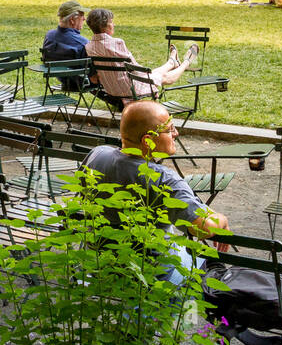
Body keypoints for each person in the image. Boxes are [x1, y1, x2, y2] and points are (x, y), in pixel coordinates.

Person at [80, 101, 232, 285]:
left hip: (101, 267)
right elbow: (203, 226)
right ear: (148, 141)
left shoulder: (97, 155)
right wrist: (222, 219)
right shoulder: (164, 179)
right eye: (169, 130)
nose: (176, 133)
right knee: (213, 267)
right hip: (153, 274)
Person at [85, 7, 197, 99]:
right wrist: (150, 77)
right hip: (130, 89)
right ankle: (186, 62)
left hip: (111, 89)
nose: (113, 25)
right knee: (164, 77)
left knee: (153, 74)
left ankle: (172, 62)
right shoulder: (117, 43)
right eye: (111, 22)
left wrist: (150, 75)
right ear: (105, 26)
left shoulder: (89, 46)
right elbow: (135, 68)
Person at [42, 0, 91, 91]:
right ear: (72, 20)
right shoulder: (83, 43)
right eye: (82, 15)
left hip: (63, 79)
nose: (84, 19)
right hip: (82, 83)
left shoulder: (49, 36)